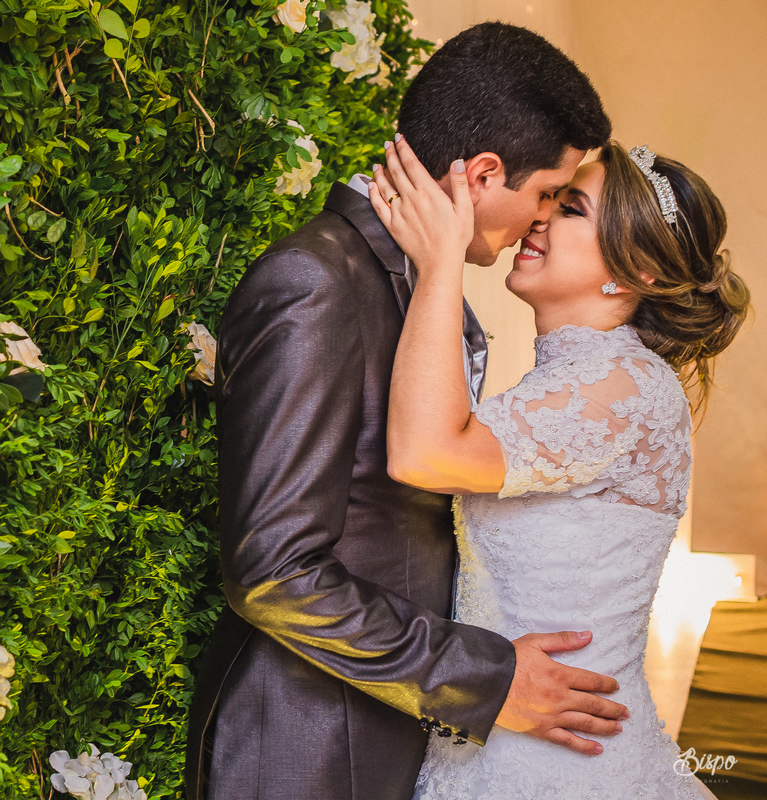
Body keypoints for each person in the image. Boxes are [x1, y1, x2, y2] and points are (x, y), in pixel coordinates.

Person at [185, 23, 627, 800]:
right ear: (486, 172)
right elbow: (274, 572)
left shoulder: (416, 284)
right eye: (547, 193)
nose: (544, 217)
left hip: (380, 733)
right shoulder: (315, 281)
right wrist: (484, 678)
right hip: (304, 747)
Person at [369, 135, 749, 798]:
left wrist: (439, 266)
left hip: (559, 765)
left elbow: (426, 453)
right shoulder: (581, 378)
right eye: (549, 197)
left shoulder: (625, 386)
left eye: (570, 208)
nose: (539, 216)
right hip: (499, 739)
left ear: (637, 274)